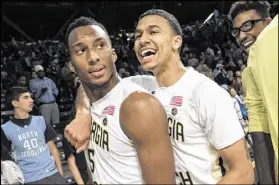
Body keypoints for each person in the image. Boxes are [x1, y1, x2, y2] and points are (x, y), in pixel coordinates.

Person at [65, 10, 254, 184]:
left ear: (176, 41)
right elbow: (91, 82)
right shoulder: (141, 85)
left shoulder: (205, 93)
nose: (143, 40)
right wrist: (83, 113)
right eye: (138, 35)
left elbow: (243, 172)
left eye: (153, 32)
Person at [64, 16, 175, 184]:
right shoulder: (90, 101)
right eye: (81, 50)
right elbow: (84, 89)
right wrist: (82, 112)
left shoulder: (138, 106)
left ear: (114, 54)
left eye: (100, 45)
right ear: (71, 65)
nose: (93, 57)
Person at [228, 1, 277, 183]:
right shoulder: (250, 70)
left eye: (247, 26)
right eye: (236, 31)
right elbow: (260, 131)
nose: (241, 36)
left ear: (268, 21)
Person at [1, 87, 65, 184]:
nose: (31, 100)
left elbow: (53, 149)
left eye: (30, 97)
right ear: (15, 103)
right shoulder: (5, 129)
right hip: (28, 179)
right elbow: (4, 159)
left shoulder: (41, 120)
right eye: (26, 97)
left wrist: (60, 173)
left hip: (52, 174)